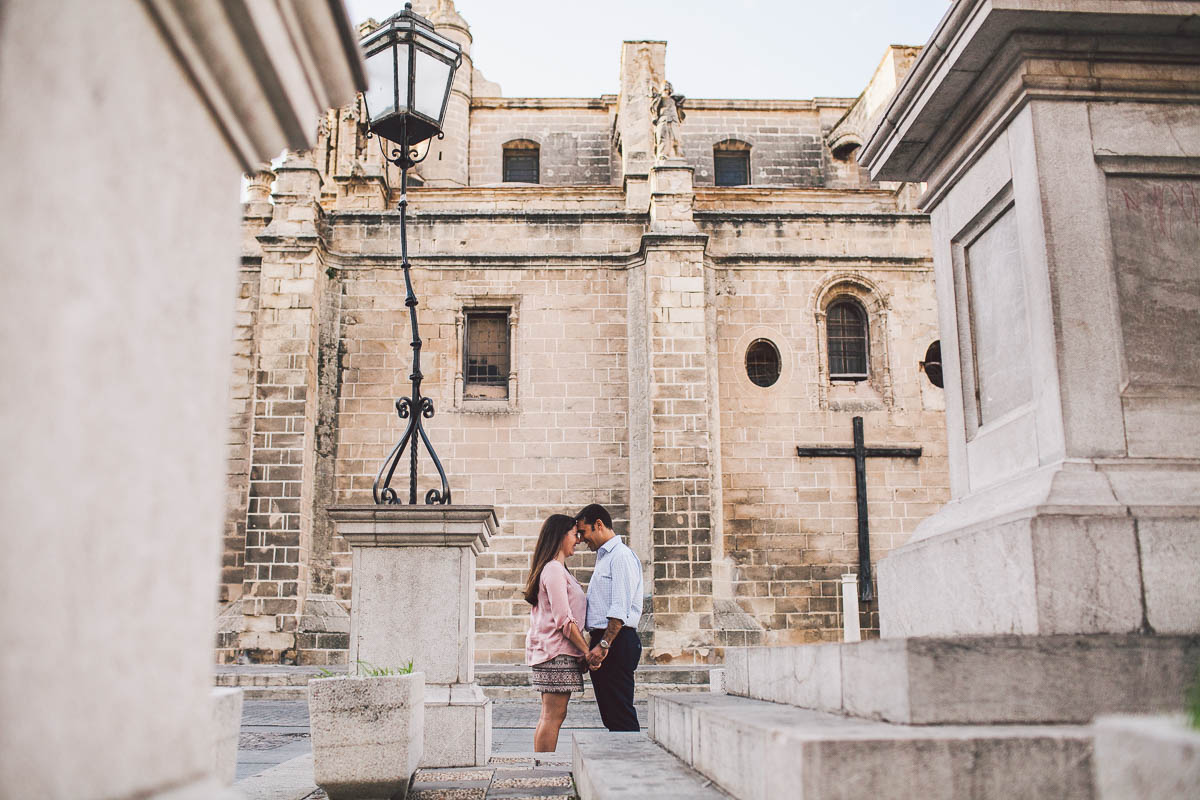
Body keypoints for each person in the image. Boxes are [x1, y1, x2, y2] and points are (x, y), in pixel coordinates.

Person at [523, 513, 591, 752]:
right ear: (561, 536)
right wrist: (586, 651)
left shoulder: (557, 569)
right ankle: (543, 767)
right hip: (555, 653)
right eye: (575, 534)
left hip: (557, 652)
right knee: (553, 716)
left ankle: (542, 764)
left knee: (552, 715)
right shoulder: (553, 569)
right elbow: (564, 619)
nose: (579, 540)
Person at [574, 503, 644, 732]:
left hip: (616, 641)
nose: (582, 539)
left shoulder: (620, 556)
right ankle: (623, 762)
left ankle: (632, 762)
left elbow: (619, 607)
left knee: (620, 713)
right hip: (606, 640)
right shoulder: (605, 557)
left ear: (599, 525)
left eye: (583, 532)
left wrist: (604, 645)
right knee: (611, 714)